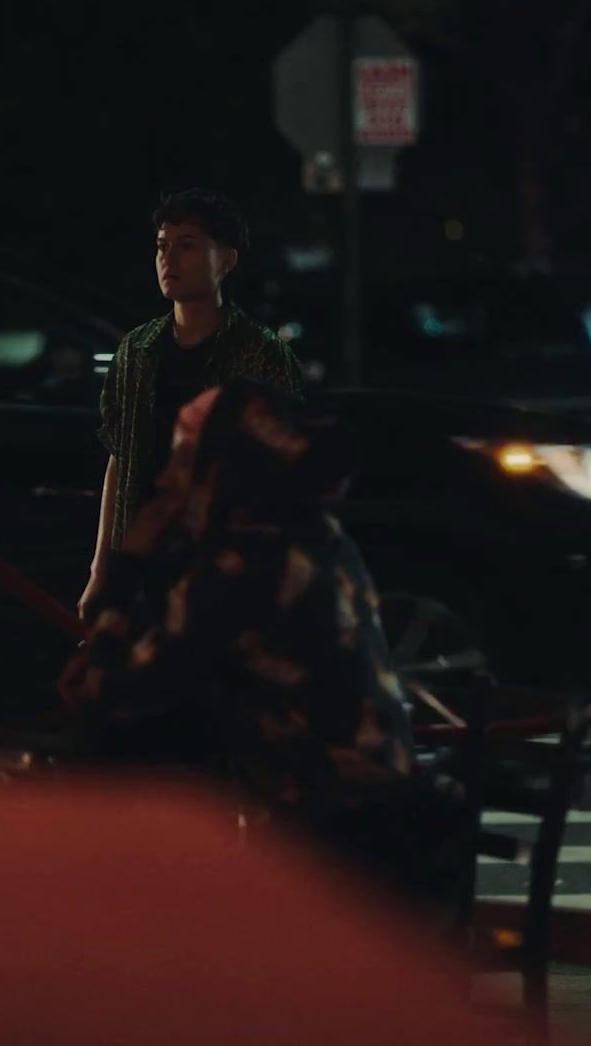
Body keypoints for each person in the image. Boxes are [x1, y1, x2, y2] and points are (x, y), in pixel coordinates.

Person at [60, 380, 470, 906]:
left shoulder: (243, 566)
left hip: (327, 839)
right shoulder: (320, 540)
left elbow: (105, 692)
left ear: (220, 472)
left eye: (184, 458)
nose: (165, 478)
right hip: (380, 820)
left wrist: (129, 565)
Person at [80, 188, 303, 617]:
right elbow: (119, 460)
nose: (169, 259)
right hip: (144, 554)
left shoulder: (261, 353)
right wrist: (100, 571)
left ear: (228, 260)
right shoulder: (138, 349)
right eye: (163, 246)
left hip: (224, 562)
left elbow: (284, 473)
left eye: (188, 246)